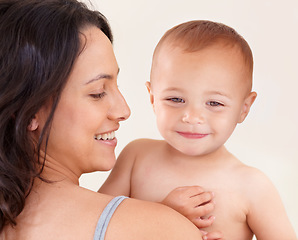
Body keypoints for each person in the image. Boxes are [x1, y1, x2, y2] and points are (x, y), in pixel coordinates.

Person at [0, 1, 206, 239]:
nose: (124, 110)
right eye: (97, 92)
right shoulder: (161, 228)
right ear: (29, 111)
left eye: (116, 85)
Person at [99, 20, 297, 240]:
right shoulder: (137, 157)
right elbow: (93, 223)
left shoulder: (252, 186)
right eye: (175, 99)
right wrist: (162, 214)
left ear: (244, 108)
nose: (192, 117)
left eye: (214, 103)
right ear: (153, 98)